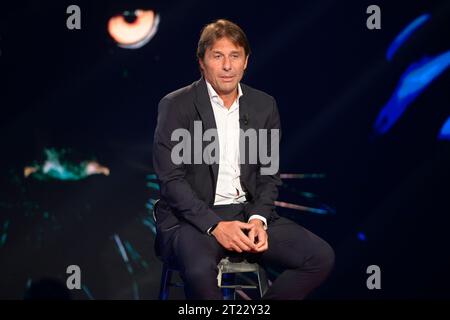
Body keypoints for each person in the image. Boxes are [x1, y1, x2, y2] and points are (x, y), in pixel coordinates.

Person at [153, 19, 334, 299]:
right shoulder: (176, 105)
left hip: (248, 213)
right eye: (218, 56)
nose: (227, 66)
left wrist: (260, 218)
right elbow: (171, 181)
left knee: (319, 257)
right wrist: (215, 226)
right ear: (202, 62)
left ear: (246, 61)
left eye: (235, 56)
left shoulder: (264, 105)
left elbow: (269, 174)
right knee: (200, 272)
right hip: (193, 218)